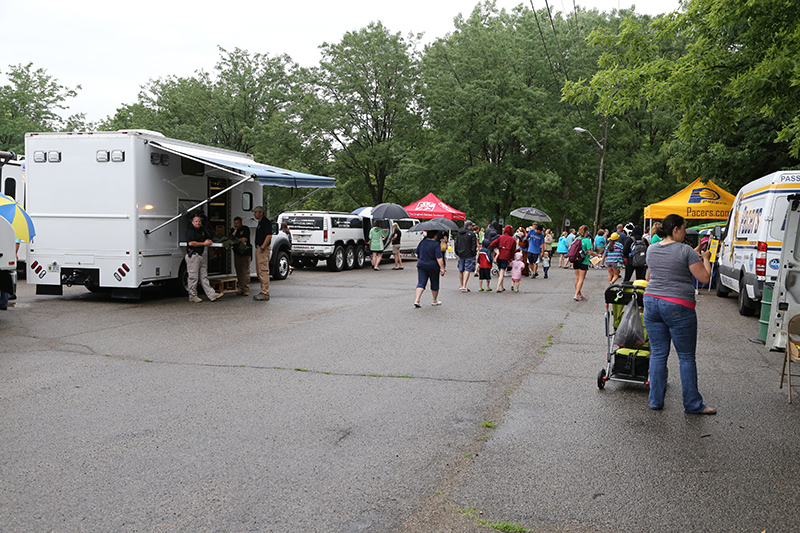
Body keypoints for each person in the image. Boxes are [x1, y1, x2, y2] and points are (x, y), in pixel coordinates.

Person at [644, 213, 715, 415]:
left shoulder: (652, 249)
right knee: (686, 357)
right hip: (678, 305)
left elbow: (658, 270)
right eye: (684, 228)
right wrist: (706, 259)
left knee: (658, 353)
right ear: (675, 229)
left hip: (651, 302)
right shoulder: (686, 251)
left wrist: (692, 254)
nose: (685, 232)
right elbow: (703, 278)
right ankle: (693, 405)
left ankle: (655, 400)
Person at [185, 214, 223, 303]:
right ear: (192, 222)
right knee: (193, 277)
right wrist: (204, 244)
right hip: (193, 256)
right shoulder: (191, 231)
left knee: (204, 277)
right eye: (196, 221)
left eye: (199, 221)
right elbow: (191, 243)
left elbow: (206, 238)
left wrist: (209, 241)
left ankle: (212, 295)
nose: (198, 223)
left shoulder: (202, 230)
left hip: (200, 255)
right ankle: (192, 296)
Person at [414, 230, 446, 307]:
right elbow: (439, 257)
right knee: (434, 282)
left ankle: (417, 299)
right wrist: (442, 268)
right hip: (433, 266)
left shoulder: (422, 242)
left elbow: (417, 252)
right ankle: (434, 300)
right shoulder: (436, 244)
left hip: (421, 264)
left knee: (421, 282)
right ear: (435, 235)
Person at [572, 224, 600, 301]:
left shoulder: (576, 239)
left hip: (575, 260)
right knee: (581, 278)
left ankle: (579, 293)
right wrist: (597, 255)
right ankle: (576, 294)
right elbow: (590, 252)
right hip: (584, 261)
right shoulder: (587, 240)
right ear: (586, 231)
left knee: (577, 278)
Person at [252, 206, 272, 301]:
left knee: (263, 270)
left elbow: (269, 235)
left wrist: (263, 247)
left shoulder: (265, 222)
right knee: (259, 270)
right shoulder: (260, 222)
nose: (254, 214)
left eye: (256, 212)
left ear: (261, 212)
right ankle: (263, 290)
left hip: (263, 249)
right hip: (259, 248)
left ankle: (265, 292)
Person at [489, 225, 517, 293]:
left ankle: (502, 287)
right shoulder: (512, 240)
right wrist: (511, 258)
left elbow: (492, 244)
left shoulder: (500, 237)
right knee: (502, 272)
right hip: (506, 256)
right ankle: (498, 287)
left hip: (499, 256)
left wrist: (497, 250)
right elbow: (513, 251)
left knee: (500, 271)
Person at [230, 216, 252, 296]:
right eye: (235, 223)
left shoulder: (245, 229)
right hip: (237, 253)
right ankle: (241, 288)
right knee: (239, 271)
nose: (236, 225)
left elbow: (244, 239)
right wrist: (235, 230)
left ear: (241, 222)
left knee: (245, 271)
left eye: (238, 223)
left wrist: (236, 240)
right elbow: (230, 238)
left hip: (245, 253)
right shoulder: (233, 230)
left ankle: (246, 289)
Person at [455, 220, 477, 292]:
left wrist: (457, 252)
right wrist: (474, 254)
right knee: (467, 269)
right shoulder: (472, 234)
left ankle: (461, 285)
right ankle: (464, 286)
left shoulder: (459, 233)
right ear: (469, 226)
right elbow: (473, 245)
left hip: (461, 254)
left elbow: (456, 243)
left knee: (460, 269)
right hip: (469, 254)